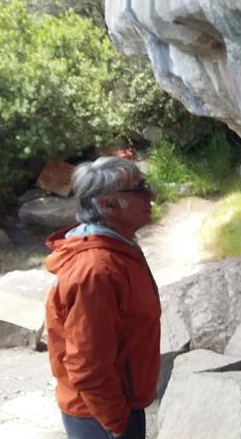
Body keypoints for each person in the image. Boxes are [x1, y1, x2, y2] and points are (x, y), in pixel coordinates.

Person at [45, 156, 160, 439]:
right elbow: (88, 366)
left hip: (116, 405)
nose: (151, 195)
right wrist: (117, 425)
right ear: (108, 205)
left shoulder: (118, 248)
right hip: (101, 415)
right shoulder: (95, 271)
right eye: (139, 189)